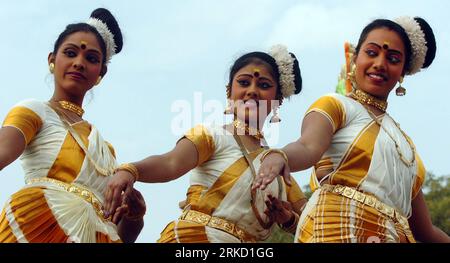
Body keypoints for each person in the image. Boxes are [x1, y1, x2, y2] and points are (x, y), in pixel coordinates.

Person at [253, 17, 450, 243]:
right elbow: (308, 146)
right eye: (372, 53)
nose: (380, 64)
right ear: (355, 57)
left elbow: (426, 232)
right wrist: (282, 155)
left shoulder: (406, 147)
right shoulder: (336, 105)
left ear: (403, 71)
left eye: (393, 58)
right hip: (337, 230)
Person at [105, 45, 307, 243]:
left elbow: (312, 222)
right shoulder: (212, 135)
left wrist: (288, 220)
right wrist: (131, 170)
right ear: (229, 92)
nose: (252, 91)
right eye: (244, 83)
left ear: (277, 100)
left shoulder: (278, 165)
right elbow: (171, 163)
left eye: (264, 85)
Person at [0, 8, 145, 243]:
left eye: (91, 59)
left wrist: (135, 219)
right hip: (35, 227)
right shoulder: (34, 111)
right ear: (52, 60)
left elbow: (115, 233)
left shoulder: (107, 152)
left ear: (101, 73)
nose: (79, 63)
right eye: (70, 53)